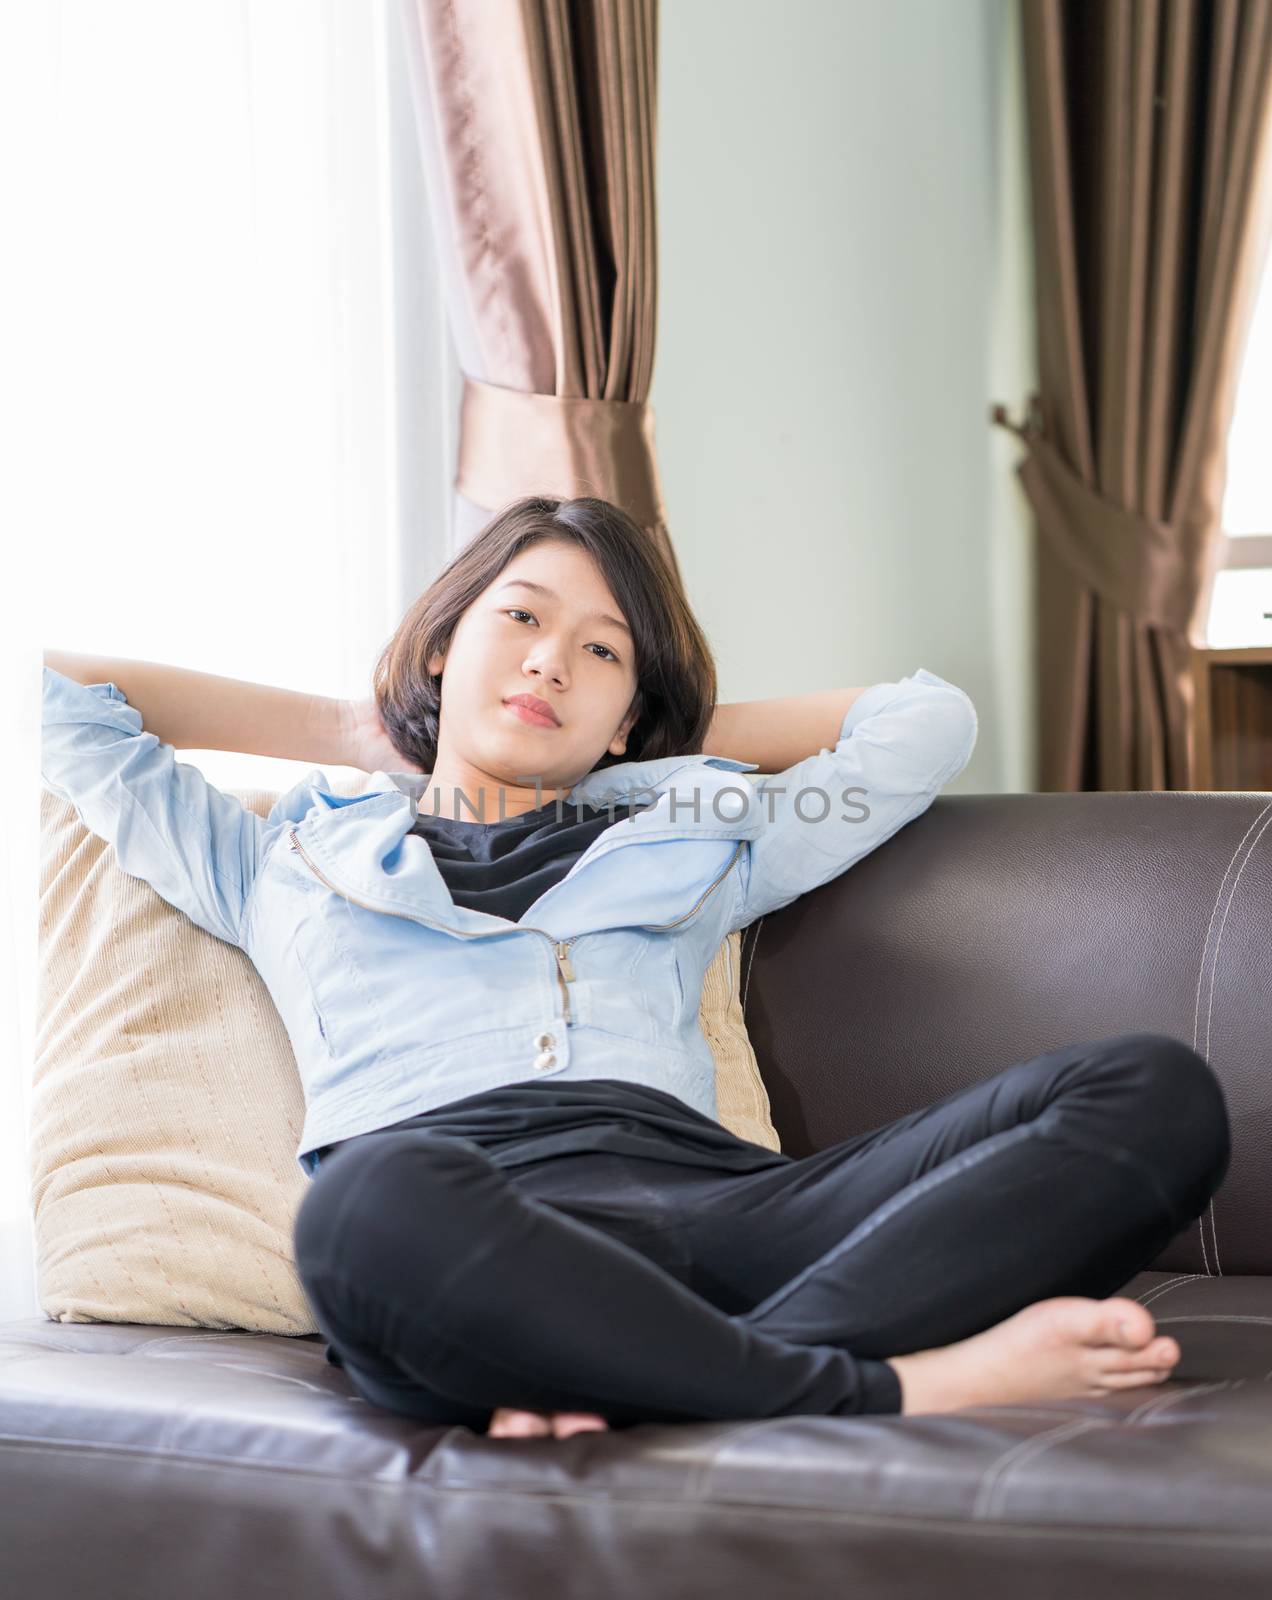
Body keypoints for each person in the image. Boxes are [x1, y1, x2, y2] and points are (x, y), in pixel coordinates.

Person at [41, 495, 1231, 1439]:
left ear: (628, 714)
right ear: (443, 642)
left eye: (599, 650)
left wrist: (645, 746)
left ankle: (663, 1378)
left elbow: (921, 724)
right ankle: (896, 1387)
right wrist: (373, 727)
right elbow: (59, 695)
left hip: (727, 1214)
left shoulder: (706, 835)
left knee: (1152, 1089)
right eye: (518, 619)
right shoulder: (279, 856)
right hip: (471, 1228)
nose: (549, 659)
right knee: (362, 1207)